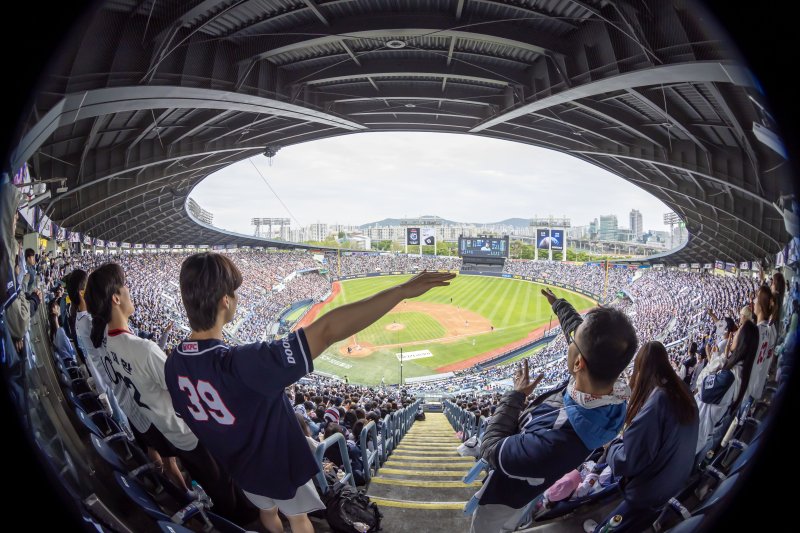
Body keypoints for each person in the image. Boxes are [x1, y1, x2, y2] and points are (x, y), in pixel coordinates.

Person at [164, 253, 454, 533]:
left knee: (267, 511)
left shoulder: (174, 363)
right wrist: (401, 290)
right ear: (225, 301)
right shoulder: (244, 363)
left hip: (240, 470)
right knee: (299, 518)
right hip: (279, 465)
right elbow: (326, 330)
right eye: (235, 293)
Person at [85, 263, 255, 524]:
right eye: (125, 285)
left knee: (209, 480)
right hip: (184, 431)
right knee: (222, 486)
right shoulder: (142, 348)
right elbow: (183, 390)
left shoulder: (103, 340)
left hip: (158, 428)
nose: (130, 290)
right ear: (116, 298)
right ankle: (240, 524)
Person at [471, 287, 636, 533]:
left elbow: (491, 447)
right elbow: (577, 332)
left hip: (505, 498)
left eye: (574, 342)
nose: (569, 341)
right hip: (531, 483)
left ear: (579, 363)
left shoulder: (556, 440)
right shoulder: (608, 390)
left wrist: (516, 396)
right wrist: (558, 304)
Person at [589, 342, 699, 533]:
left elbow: (627, 461)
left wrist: (611, 445)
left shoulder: (659, 400)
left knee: (608, 528)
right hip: (676, 480)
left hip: (652, 492)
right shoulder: (681, 389)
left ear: (642, 369)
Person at [695, 320, 759, 458]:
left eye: (738, 332)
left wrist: (719, 359)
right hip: (702, 434)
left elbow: (700, 384)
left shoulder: (728, 377)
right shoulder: (742, 372)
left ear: (742, 341)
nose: (733, 334)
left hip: (695, 433)